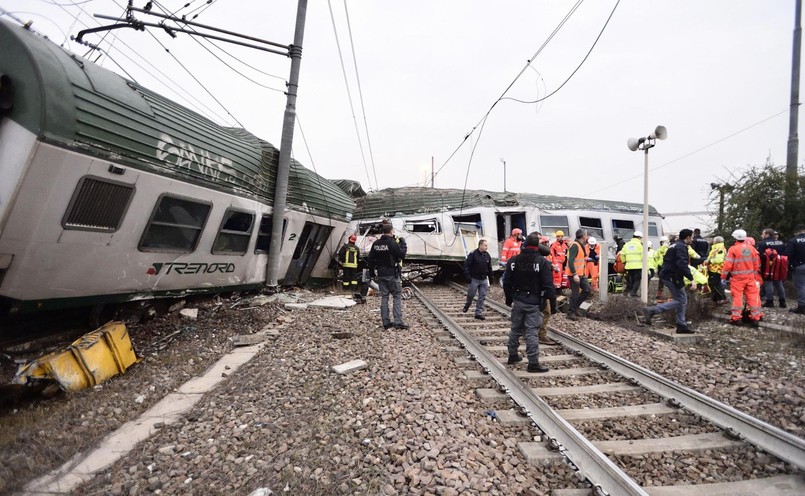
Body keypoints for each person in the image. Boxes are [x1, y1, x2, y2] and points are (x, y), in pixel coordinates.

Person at [503, 233, 556, 373]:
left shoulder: (514, 260)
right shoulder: (542, 262)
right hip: (534, 301)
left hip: (518, 299)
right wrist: (553, 304)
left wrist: (508, 298)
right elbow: (548, 285)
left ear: (524, 245)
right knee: (532, 332)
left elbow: (507, 282)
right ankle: (533, 363)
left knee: (515, 329)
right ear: (537, 246)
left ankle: (512, 355)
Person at [642, 229, 697, 334]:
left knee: (682, 300)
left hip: (668, 274)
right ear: (688, 237)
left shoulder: (674, 245)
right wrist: (691, 279)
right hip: (673, 276)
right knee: (681, 300)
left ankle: (681, 325)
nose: (693, 239)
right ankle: (653, 310)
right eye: (692, 237)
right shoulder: (681, 247)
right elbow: (682, 264)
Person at [367, 223, 408, 330]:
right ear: (391, 231)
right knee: (397, 296)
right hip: (392, 274)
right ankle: (398, 322)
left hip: (381, 274)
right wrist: (403, 244)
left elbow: (370, 260)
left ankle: (386, 322)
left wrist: (372, 273)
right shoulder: (392, 243)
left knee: (384, 297)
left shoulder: (376, 244)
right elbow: (401, 254)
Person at [721, 229, 762, 327]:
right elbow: (757, 264)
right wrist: (754, 275)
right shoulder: (752, 249)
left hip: (738, 279)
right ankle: (756, 318)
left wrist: (723, 276)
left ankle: (736, 318)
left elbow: (728, 265)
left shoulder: (733, 249)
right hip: (751, 278)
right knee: (753, 297)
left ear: (735, 237)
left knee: (737, 297)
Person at [463, 239, 493, 320]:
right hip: (474, 278)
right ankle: (467, 305)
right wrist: (467, 276)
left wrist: (491, 278)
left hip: (483, 279)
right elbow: (467, 266)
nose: (487, 247)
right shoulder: (473, 254)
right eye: (485, 245)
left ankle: (478, 313)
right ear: (480, 245)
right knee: (471, 295)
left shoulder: (487, 255)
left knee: (482, 296)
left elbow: (489, 268)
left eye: (487, 245)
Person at [757, 227, 787, 308]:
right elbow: (785, 253)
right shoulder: (781, 242)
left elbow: (760, 255)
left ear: (767, 234)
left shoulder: (762, 243)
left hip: (767, 266)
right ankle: (782, 302)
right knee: (779, 282)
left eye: (763, 234)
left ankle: (770, 301)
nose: (761, 235)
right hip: (779, 265)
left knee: (768, 282)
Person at [565, 229, 591, 321]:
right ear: (583, 236)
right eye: (586, 235)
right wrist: (575, 274)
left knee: (587, 290)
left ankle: (575, 307)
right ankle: (570, 313)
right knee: (575, 294)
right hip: (574, 275)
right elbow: (571, 260)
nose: (587, 237)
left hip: (581, 274)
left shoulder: (580, 245)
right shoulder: (575, 246)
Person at [784, 225, 805, 314]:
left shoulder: (793, 241)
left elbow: (788, 254)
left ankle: (802, 306)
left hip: (799, 266)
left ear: (796, 232)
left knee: (801, 286)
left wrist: (791, 264)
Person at [621, 231, 643, 297]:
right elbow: (643, 255)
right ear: (639, 237)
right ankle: (633, 293)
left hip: (629, 266)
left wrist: (624, 262)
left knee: (631, 280)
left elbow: (621, 254)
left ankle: (629, 292)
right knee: (637, 280)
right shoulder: (640, 245)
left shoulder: (627, 244)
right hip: (638, 266)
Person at [706, 236, 727, 304]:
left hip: (717, 270)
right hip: (713, 269)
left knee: (715, 285)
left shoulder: (719, 249)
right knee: (713, 284)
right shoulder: (716, 248)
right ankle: (714, 299)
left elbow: (719, 259)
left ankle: (722, 298)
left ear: (715, 241)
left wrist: (709, 261)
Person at [654, 235, 670, 302]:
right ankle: (660, 294)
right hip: (664, 266)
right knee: (664, 281)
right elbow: (656, 257)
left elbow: (656, 257)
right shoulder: (667, 249)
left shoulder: (661, 249)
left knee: (662, 281)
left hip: (663, 266)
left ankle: (660, 294)